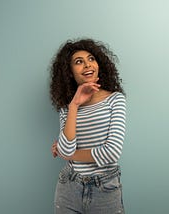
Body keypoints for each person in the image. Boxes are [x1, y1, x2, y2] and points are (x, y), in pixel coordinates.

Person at [49, 38, 126, 214]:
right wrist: (74, 105)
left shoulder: (115, 100)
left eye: (91, 59)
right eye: (79, 62)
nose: (87, 65)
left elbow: (112, 152)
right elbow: (66, 149)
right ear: (69, 72)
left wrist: (67, 153)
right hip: (68, 186)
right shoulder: (67, 107)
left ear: (99, 65)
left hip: (105, 188)